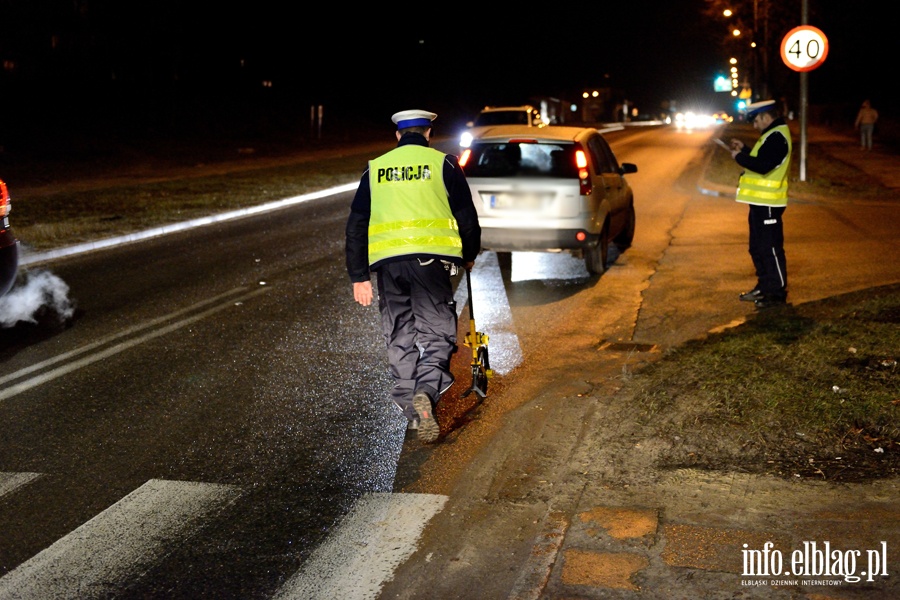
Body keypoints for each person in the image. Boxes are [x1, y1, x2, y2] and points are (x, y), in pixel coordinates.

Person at [345, 109, 482, 443]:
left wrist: (358, 275)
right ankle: (426, 392)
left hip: (388, 267)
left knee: (399, 335)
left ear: (397, 136)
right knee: (436, 334)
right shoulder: (444, 164)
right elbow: (466, 216)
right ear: (428, 133)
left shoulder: (374, 169)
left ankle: (413, 410)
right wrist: (468, 255)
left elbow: (356, 224)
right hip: (430, 264)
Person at [728, 99, 793, 309]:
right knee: (757, 248)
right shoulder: (770, 135)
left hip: (769, 203)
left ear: (766, 117)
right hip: (759, 203)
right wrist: (745, 150)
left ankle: (776, 294)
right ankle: (764, 287)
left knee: (770, 249)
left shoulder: (777, 136)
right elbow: (762, 159)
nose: (754, 125)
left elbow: (764, 166)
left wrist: (740, 157)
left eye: (755, 121)